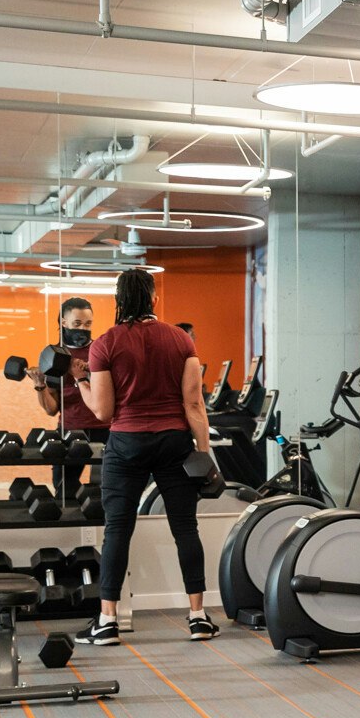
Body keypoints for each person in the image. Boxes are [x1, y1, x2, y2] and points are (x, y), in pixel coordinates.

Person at [70, 268, 221, 646]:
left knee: (117, 530)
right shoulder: (180, 339)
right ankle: (198, 617)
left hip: (126, 444)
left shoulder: (105, 344)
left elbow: (102, 412)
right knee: (185, 529)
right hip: (174, 443)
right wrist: (203, 455)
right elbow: (194, 404)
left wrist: (80, 381)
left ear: (118, 301)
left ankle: (107, 621)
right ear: (153, 299)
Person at [29, 296, 106, 503]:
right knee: (65, 492)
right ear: (64, 322)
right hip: (71, 430)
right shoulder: (54, 356)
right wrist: (40, 385)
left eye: (88, 324)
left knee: (106, 491)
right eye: (77, 323)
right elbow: (52, 409)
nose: (83, 329)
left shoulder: (100, 351)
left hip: (104, 428)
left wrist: (90, 372)